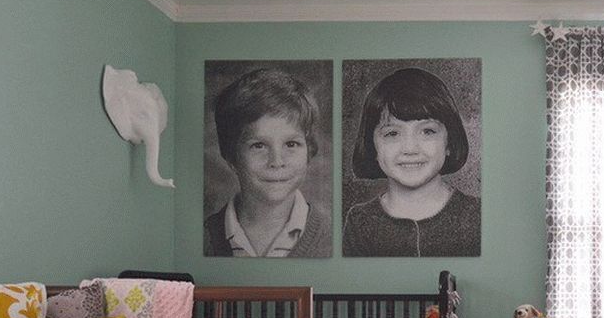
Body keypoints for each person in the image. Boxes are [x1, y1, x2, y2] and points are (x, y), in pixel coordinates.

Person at [343, 67, 480, 257]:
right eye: (392, 133)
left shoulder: (477, 217)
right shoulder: (360, 223)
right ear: (372, 146)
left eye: (427, 131)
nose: (410, 149)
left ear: (450, 142)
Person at [205, 68, 328, 257]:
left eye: (291, 144)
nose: (277, 162)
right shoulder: (206, 238)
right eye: (259, 146)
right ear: (231, 157)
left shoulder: (330, 238)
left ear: (309, 150)